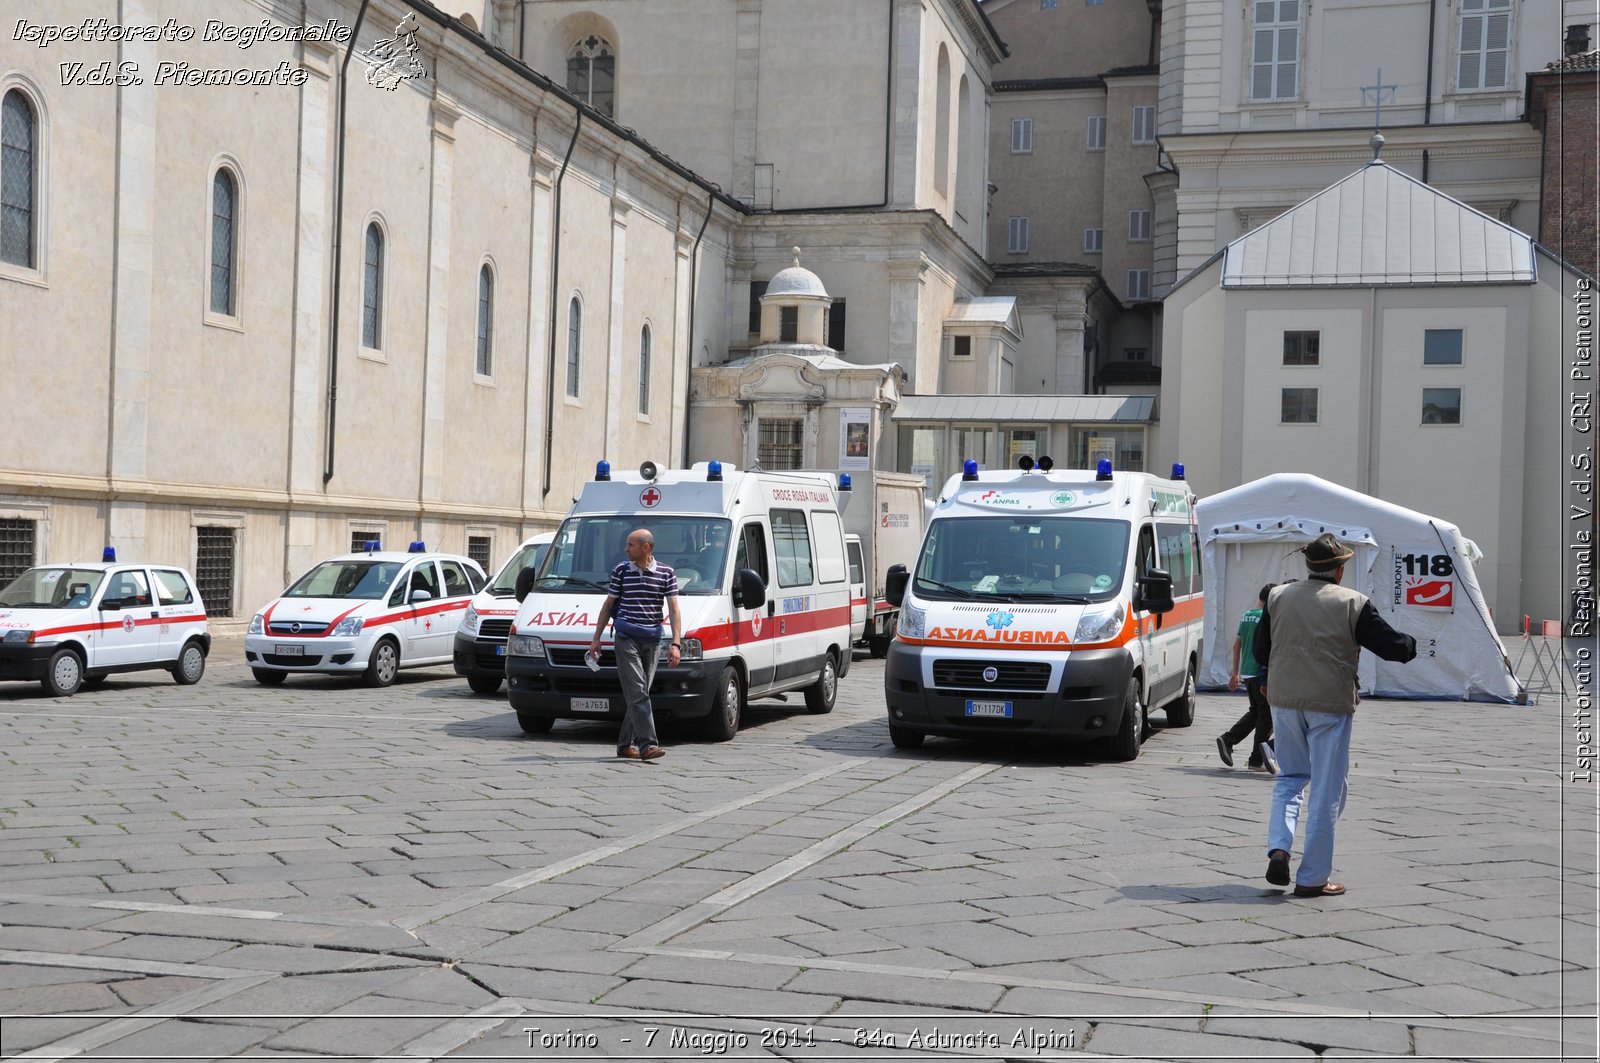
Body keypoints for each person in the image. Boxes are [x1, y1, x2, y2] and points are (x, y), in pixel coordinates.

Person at [1254, 533, 1417, 897]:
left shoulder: (1278, 596)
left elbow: (1261, 650)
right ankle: (1312, 877)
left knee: (1289, 778)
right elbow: (1393, 648)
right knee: (1327, 790)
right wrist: (1412, 644)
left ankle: (1280, 848)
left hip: (1284, 699)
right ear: (1340, 570)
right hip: (1329, 702)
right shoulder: (1353, 603)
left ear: (1309, 565)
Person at [588, 528, 683, 762]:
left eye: (630, 545)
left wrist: (676, 644)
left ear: (645, 547)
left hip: (652, 639)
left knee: (638, 693)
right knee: (639, 691)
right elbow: (608, 604)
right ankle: (648, 745)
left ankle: (623, 745)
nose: (625, 549)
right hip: (626, 637)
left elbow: (674, 609)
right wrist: (596, 638)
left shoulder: (666, 573)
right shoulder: (621, 571)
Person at [1217, 583, 1278, 773]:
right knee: (1266, 717)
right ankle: (1256, 759)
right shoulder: (1267, 617)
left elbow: (1237, 645)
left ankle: (1228, 739)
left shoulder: (1247, 615)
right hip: (1261, 672)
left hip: (1247, 671)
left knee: (1256, 712)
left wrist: (1235, 672)